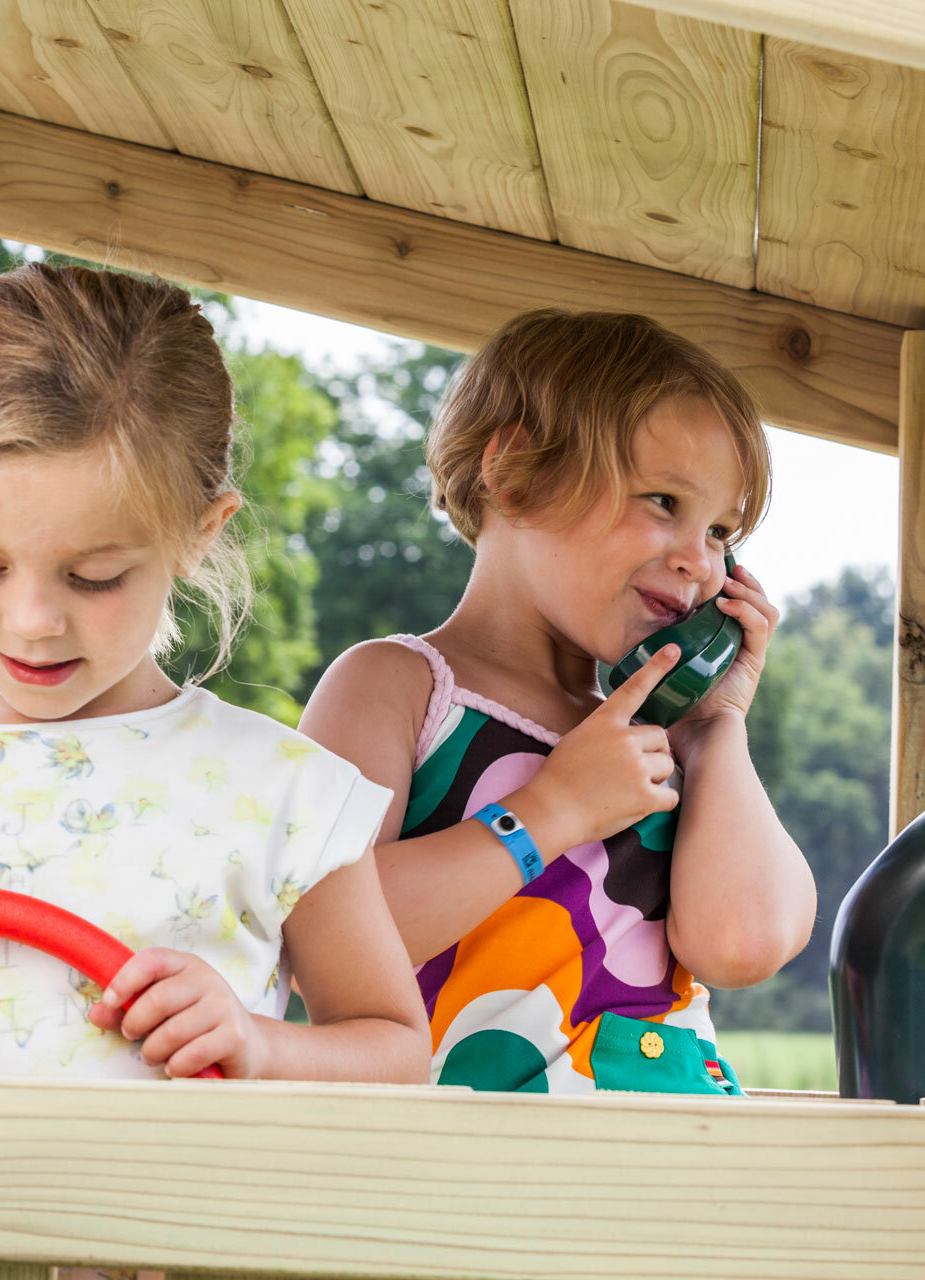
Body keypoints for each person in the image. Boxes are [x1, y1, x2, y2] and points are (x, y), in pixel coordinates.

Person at [0, 263, 429, 1083]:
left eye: (95, 577)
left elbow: (396, 1051)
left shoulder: (282, 791)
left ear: (202, 531)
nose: (33, 622)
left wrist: (260, 1044)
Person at [300, 309, 816, 1094]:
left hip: (686, 1174)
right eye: (663, 503)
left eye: (720, 530)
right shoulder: (396, 688)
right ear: (516, 472)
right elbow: (322, 945)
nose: (698, 563)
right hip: (484, 1187)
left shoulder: (667, 735)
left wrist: (715, 732)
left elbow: (745, 943)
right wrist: (549, 814)